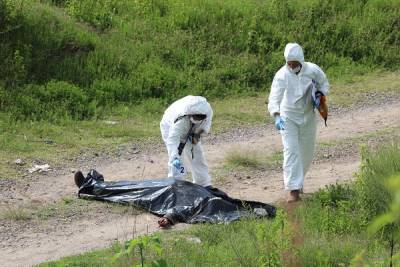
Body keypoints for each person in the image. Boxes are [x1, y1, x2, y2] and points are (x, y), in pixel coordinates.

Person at [267, 43, 330, 202]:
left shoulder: (312, 70)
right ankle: (293, 190)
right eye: (289, 64)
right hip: (288, 117)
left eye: (295, 64)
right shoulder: (282, 75)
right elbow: (274, 96)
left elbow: (324, 82)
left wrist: (320, 95)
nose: (292, 66)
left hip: (308, 115)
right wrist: (276, 116)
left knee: (307, 152)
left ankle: (298, 181)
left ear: (301, 61)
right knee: (291, 150)